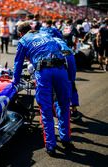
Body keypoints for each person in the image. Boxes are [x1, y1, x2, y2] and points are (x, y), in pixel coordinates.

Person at [14, 21, 73, 156]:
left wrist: (15, 82)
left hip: (44, 72)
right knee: (64, 105)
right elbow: (66, 52)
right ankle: (66, 139)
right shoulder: (46, 33)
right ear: (32, 28)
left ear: (20, 33)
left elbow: (18, 63)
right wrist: (71, 76)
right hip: (61, 70)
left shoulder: (23, 40)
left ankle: (51, 145)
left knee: (46, 108)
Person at [54, 37, 81, 121]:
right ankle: (74, 110)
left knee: (55, 87)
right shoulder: (59, 39)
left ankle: (60, 111)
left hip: (59, 56)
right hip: (69, 54)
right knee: (71, 83)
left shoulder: (44, 40)